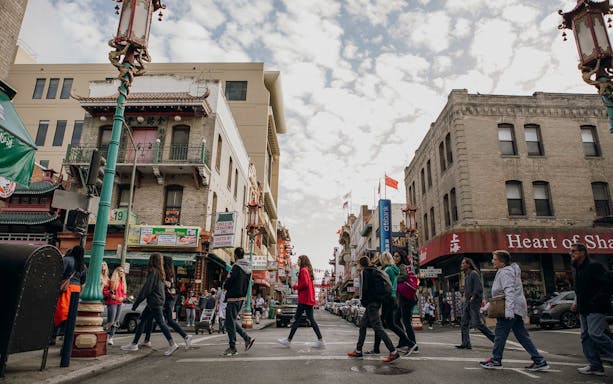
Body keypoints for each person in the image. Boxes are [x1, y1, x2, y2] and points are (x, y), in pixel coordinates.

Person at [479, 250, 549, 371]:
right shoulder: (505, 271)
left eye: (495, 259)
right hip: (512, 308)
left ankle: (496, 360)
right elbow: (501, 295)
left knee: (500, 335)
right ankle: (539, 360)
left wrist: (509, 311)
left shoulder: (506, 272)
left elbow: (509, 292)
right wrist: (487, 307)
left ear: (502, 261)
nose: (492, 261)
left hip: (509, 309)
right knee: (522, 336)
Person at [120, 253, 179, 356]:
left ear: (151, 261)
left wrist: (136, 303)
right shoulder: (160, 273)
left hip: (155, 302)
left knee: (161, 322)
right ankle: (134, 344)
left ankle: (172, 343)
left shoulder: (154, 272)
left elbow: (146, 289)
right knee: (142, 320)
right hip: (156, 301)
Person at [570, 243, 613, 376]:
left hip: (595, 307)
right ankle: (595, 366)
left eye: (574, 251)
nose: (571, 254)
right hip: (583, 307)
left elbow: (608, 284)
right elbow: (578, 289)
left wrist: (597, 299)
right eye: (570, 252)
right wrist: (575, 302)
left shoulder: (594, 266)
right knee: (585, 336)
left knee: (595, 334)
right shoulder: (577, 268)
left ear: (583, 252)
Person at [347, 256, 400, 363]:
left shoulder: (365, 272)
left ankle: (393, 352)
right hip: (375, 302)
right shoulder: (375, 270)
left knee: (378, 327)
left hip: (371, 304)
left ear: (360, 264)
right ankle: (358, 350)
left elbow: (365, 290)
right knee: (362, 325)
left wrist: (364, 302)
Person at [141, 255, 192, 349]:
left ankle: (182, 338)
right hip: (165, 299)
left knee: (165, 321)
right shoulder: (170, 273)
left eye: (162, 261)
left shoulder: (165, 273)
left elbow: (167, 285)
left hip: (163, 299)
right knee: (153, 319)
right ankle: (147, 340)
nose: (161, 262)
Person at [277, 255, 325, 348]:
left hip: (304, 300)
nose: (297, 262)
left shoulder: (303, 270)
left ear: (302, 261)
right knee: (309, 320)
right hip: (308, 299)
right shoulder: (307, 270)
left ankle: (288, 340)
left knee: (297, 320)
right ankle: (320, 340)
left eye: (299, 260)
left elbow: (305, 284)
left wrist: (296, 287)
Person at [369, 252, 411, 355]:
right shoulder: (391, 269)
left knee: (383, 324)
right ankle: (376, 348)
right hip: (392, 298)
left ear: (383, 259)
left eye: (381, 259)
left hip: (388, 298)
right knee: (385, 324)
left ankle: (410, 343)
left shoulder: (388, 270)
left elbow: (383, 285)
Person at [222, 247, 255, 356]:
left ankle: (233, 347)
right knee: (230, 321)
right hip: (241, 298)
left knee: (229, 322)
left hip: (233, 297)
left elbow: (230, 280)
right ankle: (247, 338)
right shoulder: (248, 268)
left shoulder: (236, 267)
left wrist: (225, 286)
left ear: (235, 256)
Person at [52, 245, 87, 345]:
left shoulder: (67, 260)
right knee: (71, 314)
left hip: (66, 288)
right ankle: (66, 337)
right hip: (76, 290)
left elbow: (59, 273)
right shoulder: (83, 265)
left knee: (59, 312)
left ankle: (54, 335)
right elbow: (83, 280)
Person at [457, 257, 495, 349]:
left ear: (468, 264)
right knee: (464, 323)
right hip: (467, 302)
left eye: (463, 263)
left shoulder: (474, 274)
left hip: (473, 302)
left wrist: (472, 298)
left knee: (477, 323)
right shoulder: (466, 276)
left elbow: (478, 288)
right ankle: (465, 343)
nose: (461, 265)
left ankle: (496, 340)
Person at [393, 251, 419, 354]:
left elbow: (404, 277)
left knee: (406, 322)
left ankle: (413, 344)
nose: (395, 257)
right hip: (403, 299)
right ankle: (403, 342)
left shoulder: (402, 266)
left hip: (407, 299)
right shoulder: (398, 266)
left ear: (401, 257)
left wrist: (394, 279)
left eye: (397, 256)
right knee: (396, 319)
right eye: (394, 256)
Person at [103, 265, 127, 346]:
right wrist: (110, 294)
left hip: (119, 303)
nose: (122, 273)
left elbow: (124, 294)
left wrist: (123, 298)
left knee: (116, 322)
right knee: (111, 321)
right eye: (120, 271)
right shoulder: (111, 281)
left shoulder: (123, 282)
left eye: (123, 272)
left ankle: (111, 338)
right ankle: (102, 331)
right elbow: (105, 291)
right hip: (112, 303)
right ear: (116, 272)